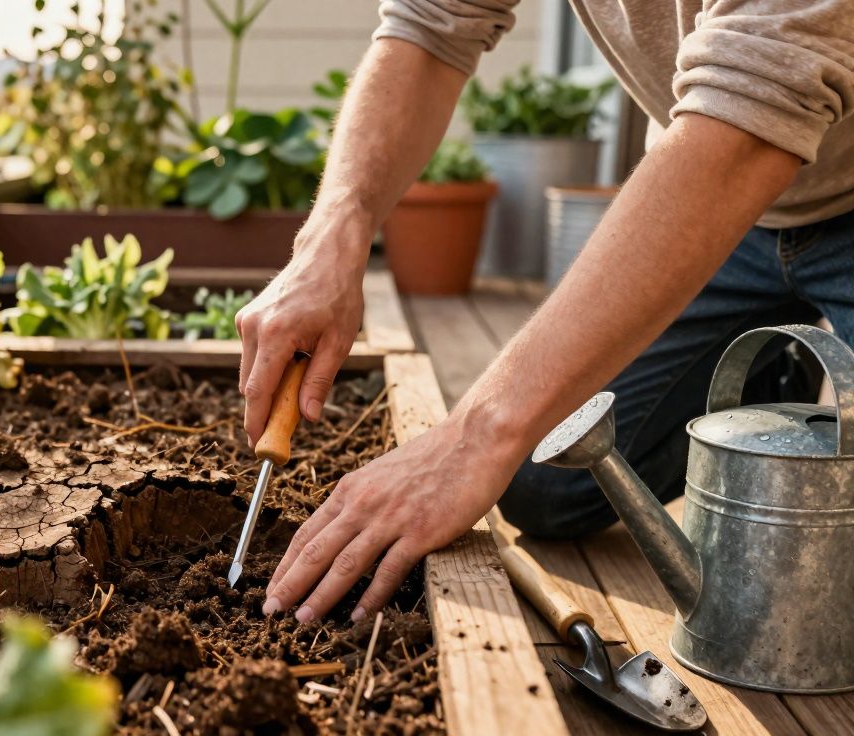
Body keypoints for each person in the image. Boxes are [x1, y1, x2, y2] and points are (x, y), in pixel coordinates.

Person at [239, 0, 854, 625]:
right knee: (551, 477)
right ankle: (774, 384)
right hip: (722, 216)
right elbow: (430, 27)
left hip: (754, 166)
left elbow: (760, 99)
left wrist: (472, 437)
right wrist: (331, 235)